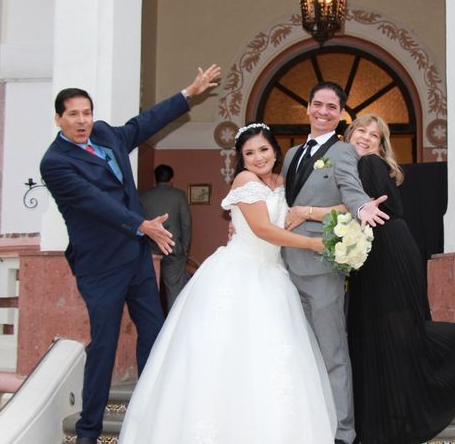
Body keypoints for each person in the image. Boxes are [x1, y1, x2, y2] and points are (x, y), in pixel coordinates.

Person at [289, 113, 455, 444]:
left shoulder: (369, 165)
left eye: (374, 135)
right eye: (360, 131)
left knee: (403, 332)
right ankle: (389, 420)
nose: (365, 138)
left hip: (388, 253)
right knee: (381, 336)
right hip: (374, 255)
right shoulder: (352, 168)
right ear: (348, 134)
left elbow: (358, 209)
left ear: (382, 145)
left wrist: (304, 211)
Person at [119, 123, 337, 443]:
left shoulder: (282, 182)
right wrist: (314, 245)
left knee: (273, 363)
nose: (258, 157)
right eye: (249, 153)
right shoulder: (245, 180)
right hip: (240, 273)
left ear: (276, 150)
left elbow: (297, 213)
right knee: (225, 358)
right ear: (241, 158)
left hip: (273, 275)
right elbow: (263, 229)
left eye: (263, 149)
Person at [39, 64, 221, 444]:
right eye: (73, 114)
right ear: (59, 119)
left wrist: (187, 93)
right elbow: (95, 202)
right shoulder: (55, 163)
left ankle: (151, 412)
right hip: (100, 265)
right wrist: (141, 225)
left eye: (86, 112)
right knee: (104, 346)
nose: (82, 120)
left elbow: (143, 124)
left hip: (136, 257)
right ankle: (88, 431)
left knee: (153, 333)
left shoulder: (105, 133)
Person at [281, 82, 389, 444]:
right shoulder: (292, 153)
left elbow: (350, 188)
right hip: (283, 266)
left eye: (331, 107)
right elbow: (281, 199)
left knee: (332, 354)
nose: (323, 112)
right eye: (317, 105)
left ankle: (344, 432)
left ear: (341, 113)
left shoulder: (343, 151)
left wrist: (362, 207)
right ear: (308, 108)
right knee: (298, 352)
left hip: (320, 267)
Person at [139, 163, 192, 314]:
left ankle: (154, 326)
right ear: (172, 179)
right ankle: (172, 327)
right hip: (174, 248)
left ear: (155, 179)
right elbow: (186, 223)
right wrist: (185, 248)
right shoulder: (179, 195)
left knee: (149, 291)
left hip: (150, 250)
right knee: (174, 291)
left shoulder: (143, 197)